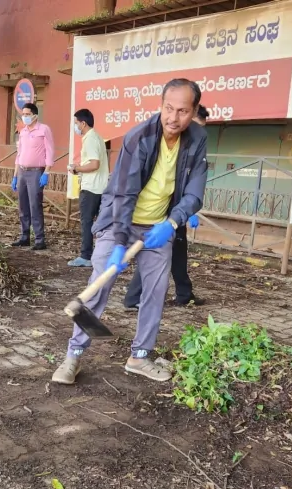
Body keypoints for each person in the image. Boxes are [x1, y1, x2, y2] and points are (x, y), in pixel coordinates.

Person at [52, 79, 208, 385]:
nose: (173, 118)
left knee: (155, 292)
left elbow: (195, 189)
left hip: (160, 227)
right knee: (99, 287)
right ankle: (72, 356)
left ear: (193, 112)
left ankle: (139, 356)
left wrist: (173, 221)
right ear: (160, 105)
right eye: (168, 108)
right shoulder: (140, 137)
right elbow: (123, 194)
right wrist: (120, 243)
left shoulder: (198, 138)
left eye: (182, 111)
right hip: (119, 222)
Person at [123, 104, 210, 309]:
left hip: (176, 215)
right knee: (155, 254)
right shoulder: (155, 143)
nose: (195, 133)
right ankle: (133, 298)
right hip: (160, 215)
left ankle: (184, 293)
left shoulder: (194, 147)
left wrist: (187, 212)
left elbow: (191, 186)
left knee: (177, 254)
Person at [67, 108, 109, 268]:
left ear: (83, 123)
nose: (75, 126)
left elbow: (94, 164)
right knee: (100, 223)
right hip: (99, 186)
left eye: (76, 123)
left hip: (91, 188)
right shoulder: (96, 137)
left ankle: (86, 256)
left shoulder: (90, 139)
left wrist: (77, 169)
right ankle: (101, 254)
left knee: (86, 222)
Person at [11, 103, 54, 250]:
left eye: (27, 114)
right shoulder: (23, 132)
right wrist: (15, 175)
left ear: (35, 115)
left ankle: (39, 239)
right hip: (22, 170)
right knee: (23, 206)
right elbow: (19, 154)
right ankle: (24, 237)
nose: (25, 117)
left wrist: (47, 171)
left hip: (36, 171)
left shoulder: (44, 130)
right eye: (23, 114)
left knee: (35, 205)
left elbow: (50, 151)